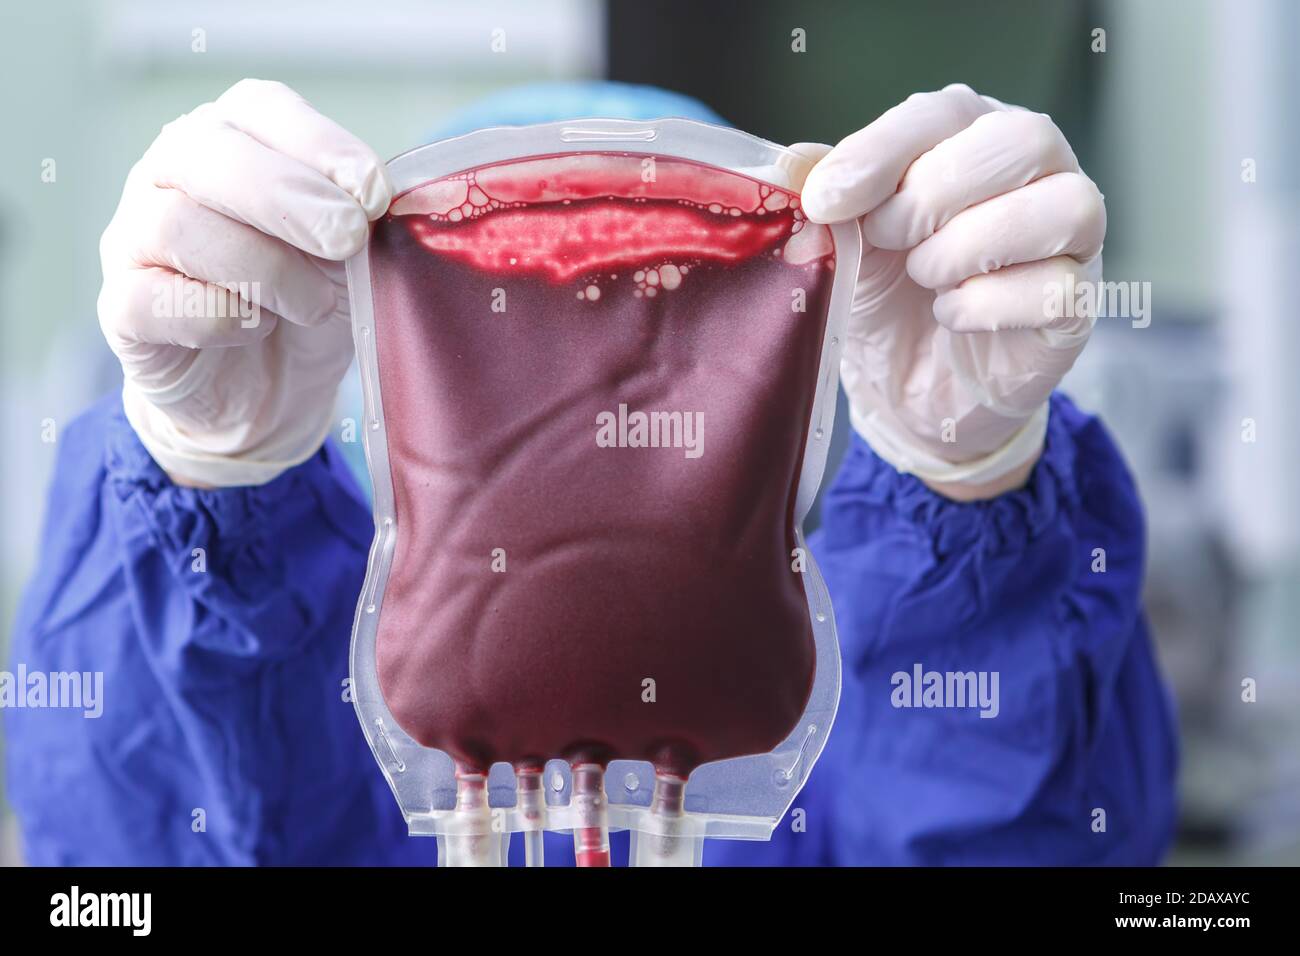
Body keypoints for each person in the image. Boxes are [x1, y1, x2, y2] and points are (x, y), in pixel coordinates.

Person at [4, 79, 1177, 866]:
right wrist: (211, 490)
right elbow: (113, 863)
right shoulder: (362, 685)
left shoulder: (787, 695)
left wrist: (965, 495)